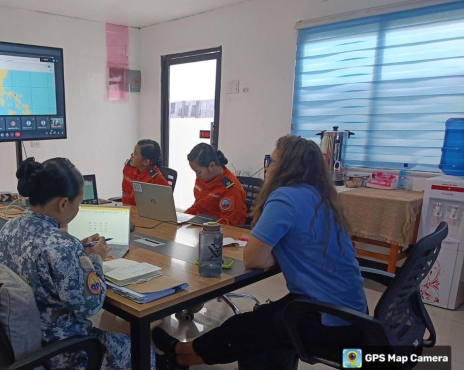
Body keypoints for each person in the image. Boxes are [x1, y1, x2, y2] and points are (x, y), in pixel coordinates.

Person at [152, 135, 368, 369]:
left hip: (327, 316)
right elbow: (298, 248)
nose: (267, 166)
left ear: (285, 167)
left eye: (271, 161)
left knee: (244, 329)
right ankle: (180, 356)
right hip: (351, 309)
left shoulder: (285, 198)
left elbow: (253, 258)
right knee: (257, 328)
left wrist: (270, 253)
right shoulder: (322, 196)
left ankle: (179, 353)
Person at [0, 157, 155, 370]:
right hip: (59, 350)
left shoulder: (8, 228)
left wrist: (77, 250)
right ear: (63, 203)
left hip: (16, 339)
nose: (78, 209)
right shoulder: (61, 245)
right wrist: (95, 259)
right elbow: (91, 305)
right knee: (140, 348)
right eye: (78, 204)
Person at [184, 143, 247, 226]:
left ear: (212, 166)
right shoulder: (203, 178)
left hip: (219, 230)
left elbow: (228, 223)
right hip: (199, 223)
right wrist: (183, 218)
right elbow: (197, 206)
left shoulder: (231, 188)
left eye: (198, 172)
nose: (197, 176)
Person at [122, 139, 170, 206]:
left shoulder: (156, 179)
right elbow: (125, 193)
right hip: (126, 208)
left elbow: (166, 204)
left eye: (135, 153)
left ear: (146, 162)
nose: (131, 155)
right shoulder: (128, 168)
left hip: (143, 213)